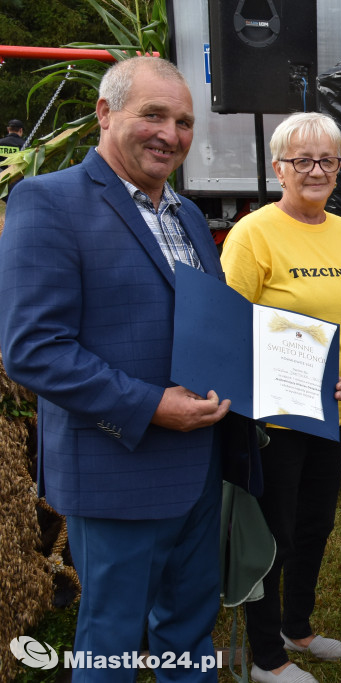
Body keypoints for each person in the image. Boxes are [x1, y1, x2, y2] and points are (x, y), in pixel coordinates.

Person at [0, 57, 259, 683]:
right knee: (112, 641)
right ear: (105, 113)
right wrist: (151, 406)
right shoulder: (48, 201)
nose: (171, 133)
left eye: (184, 122)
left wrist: (292, 382)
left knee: (189, 632)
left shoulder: (189, 215)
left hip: (200, 467)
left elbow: (216, 330)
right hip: (119, 469)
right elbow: (33, 348)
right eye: (154, 115)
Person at [220, 112, 341, 683]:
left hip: (334, 412)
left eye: (328, 159)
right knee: (273, 531)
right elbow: (230, 327)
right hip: (275, 417)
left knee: (315, 524)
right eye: (303, 160)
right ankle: (265, 658)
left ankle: (296, 627)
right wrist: (293, 377)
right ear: (279, 167)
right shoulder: (254, 233)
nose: (317, 170)